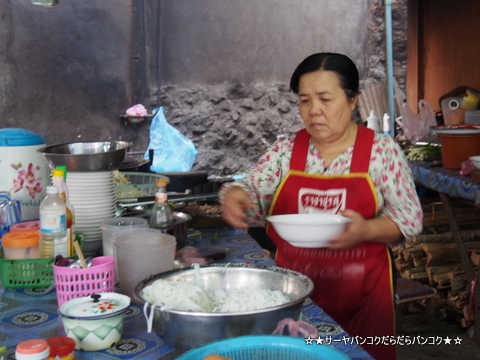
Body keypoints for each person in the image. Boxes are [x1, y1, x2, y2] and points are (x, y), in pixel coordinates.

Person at [220, 52, 423, 360]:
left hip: (365, 295)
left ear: (353, 100)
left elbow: (408, 219)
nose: (313, 111)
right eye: (304, 101)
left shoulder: (381, 152)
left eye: (325, 99)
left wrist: (366, 229)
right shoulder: (285, 151)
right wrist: (236, 195)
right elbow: (251, 192)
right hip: (297, 299)